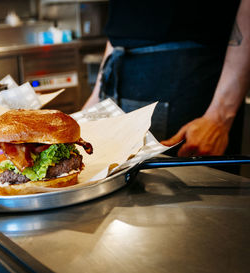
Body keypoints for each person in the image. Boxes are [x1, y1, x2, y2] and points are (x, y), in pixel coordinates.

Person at [83, 0, 250, 159]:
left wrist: (219, 116)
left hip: (186, 83)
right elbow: (121, 26)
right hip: (117, 78)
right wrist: (96, 97)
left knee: (180, 184)